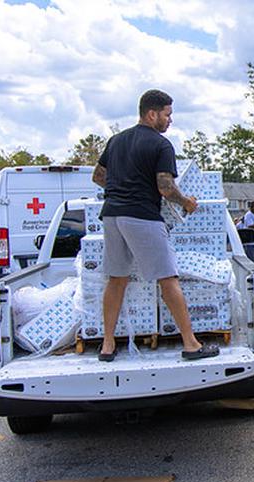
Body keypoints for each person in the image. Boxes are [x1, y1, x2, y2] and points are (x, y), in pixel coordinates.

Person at [92, 89, 218, 362]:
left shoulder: (116, 140)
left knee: (116, 279)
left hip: (112, 215)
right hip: (142, 216)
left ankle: (107, 345)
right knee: (168, 279)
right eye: (167, 114)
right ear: (152, 114)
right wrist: (185, 202)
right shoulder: (161, 145)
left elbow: (99, 176)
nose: (170, 120)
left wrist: (123, 187)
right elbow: (165, 187)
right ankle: (191, 344)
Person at [241, 200, 254, 265]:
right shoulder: (249, 215)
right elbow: (250, 226)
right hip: (250, 243)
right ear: (252, 207)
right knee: (252, 264)